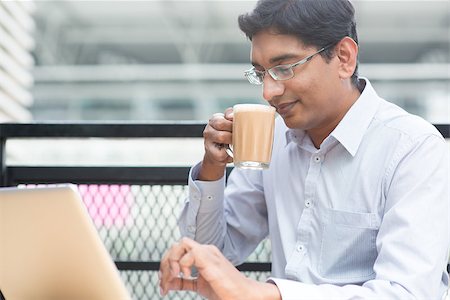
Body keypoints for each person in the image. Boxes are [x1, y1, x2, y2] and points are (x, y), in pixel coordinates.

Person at [159, 0, 450, 299]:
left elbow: (406, 294)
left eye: (284, 68)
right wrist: (212, 167)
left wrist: (265, 294)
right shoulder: (273, 139)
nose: (268, 92)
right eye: (260, 73)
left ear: (344, 57)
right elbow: (211, 254)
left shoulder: (413, 149)